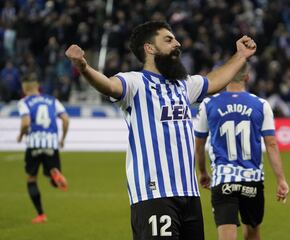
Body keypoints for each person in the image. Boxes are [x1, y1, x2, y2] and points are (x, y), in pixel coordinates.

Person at [65, 20, 256, 239]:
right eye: (168, 39)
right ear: (149, 48)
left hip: (189, 195)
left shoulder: (184, 85)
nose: (177, 43)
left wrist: (241, 56)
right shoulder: (134, 83)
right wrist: (84, 67)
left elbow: (214, 80)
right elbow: (108, 85)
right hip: (154, 195)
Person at [194, 64, 289, 240]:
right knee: (253, 234)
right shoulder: (261, 105)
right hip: (252, 181)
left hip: (223, 181)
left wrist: (202, 172)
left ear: (226, 76)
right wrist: (281, 179)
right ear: (247, 77)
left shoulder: (208, 104)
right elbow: (272, 144)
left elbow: (199, 145)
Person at [17, 73, 69, 224]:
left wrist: (21, 136)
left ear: (25, 87)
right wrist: (63, 139)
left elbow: (26, 123)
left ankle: (41, 214)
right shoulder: (52, 100)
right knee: (52, 177)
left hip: (34, 143)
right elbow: (65, 119)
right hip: (51, 143)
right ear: (37, 86)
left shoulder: (24, 102)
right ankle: (54, 174)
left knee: (31, 178)